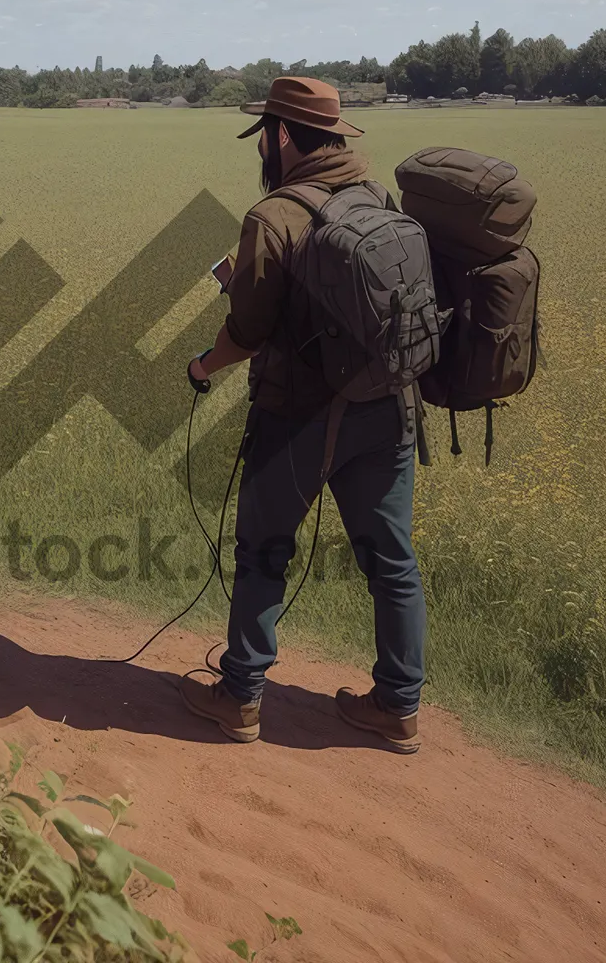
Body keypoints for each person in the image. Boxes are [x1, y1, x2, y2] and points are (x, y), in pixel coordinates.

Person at [179, 77, 427, 752]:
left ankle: (240, 699)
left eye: (263, 133)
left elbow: (248, 334)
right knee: (392, 560)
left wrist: (203, 366)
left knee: (262, 550)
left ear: (283, 136)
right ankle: (398, 707)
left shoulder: (275, 216)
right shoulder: (376, 199)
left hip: (300, 418)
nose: (261, 146)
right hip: (388, 409)